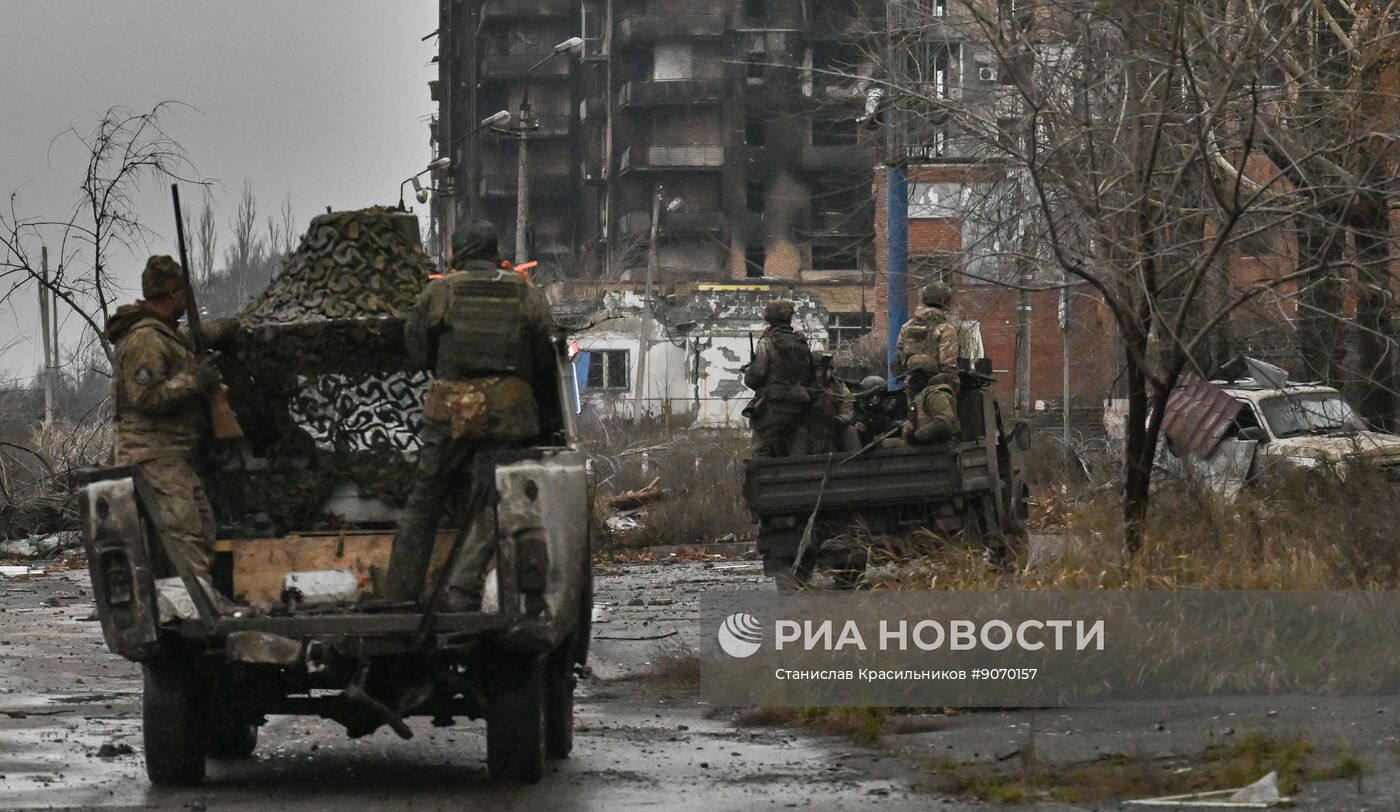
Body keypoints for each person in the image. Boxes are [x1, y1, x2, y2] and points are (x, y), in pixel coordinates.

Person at [382, 221, 557, 608]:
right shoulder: (527, 294)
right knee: (496, 503)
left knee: (425, 500)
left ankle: (399, 594)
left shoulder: (439, 291)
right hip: (509, 414)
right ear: (494, 251)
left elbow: (417, 349)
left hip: (451, 410)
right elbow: (546, 354)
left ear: (457, 253)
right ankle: (461, 589)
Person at [106, 255, 235, 613]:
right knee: (184, 533)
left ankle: (198, 601)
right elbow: (146, 396)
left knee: (201, 525)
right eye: (184, 293)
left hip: (173, 455)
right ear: (173, 293)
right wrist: (196, 381)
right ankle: (195, 609)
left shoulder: (162, 331)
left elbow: (189, 338)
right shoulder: (145, 338)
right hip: (153, 454)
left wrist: (231, 328)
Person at [894, 281, 962, 445]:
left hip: (912, 384)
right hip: (934, 385)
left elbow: (899, 358)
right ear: (944, 301)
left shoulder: (906, 327)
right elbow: (948, 364)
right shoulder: (945, 329)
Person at [742, 300, 812, 458]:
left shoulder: (768, 341)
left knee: (759, 451)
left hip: (774, 405)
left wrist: (748, 372)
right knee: (795, 451)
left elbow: (756, 375)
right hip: (800, 406)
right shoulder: (802, 343)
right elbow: (809, 374)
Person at [800, 352, 858, 454]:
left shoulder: (840, 387)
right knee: (800, 433)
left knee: (850, 431)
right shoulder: (804, 387)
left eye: (827, 369)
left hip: (833, 432)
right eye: (819, 369)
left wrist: (837, 420)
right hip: (810, 432)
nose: (824, 373)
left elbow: (847, 410)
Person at [853, 375, 901, 446]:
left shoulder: (890, 405)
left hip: (882, 440)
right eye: (872, 395)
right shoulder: (858, 406)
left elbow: (894, 425)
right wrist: (857, 426)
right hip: (864, 442)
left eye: (878, 395)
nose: (875, 398)